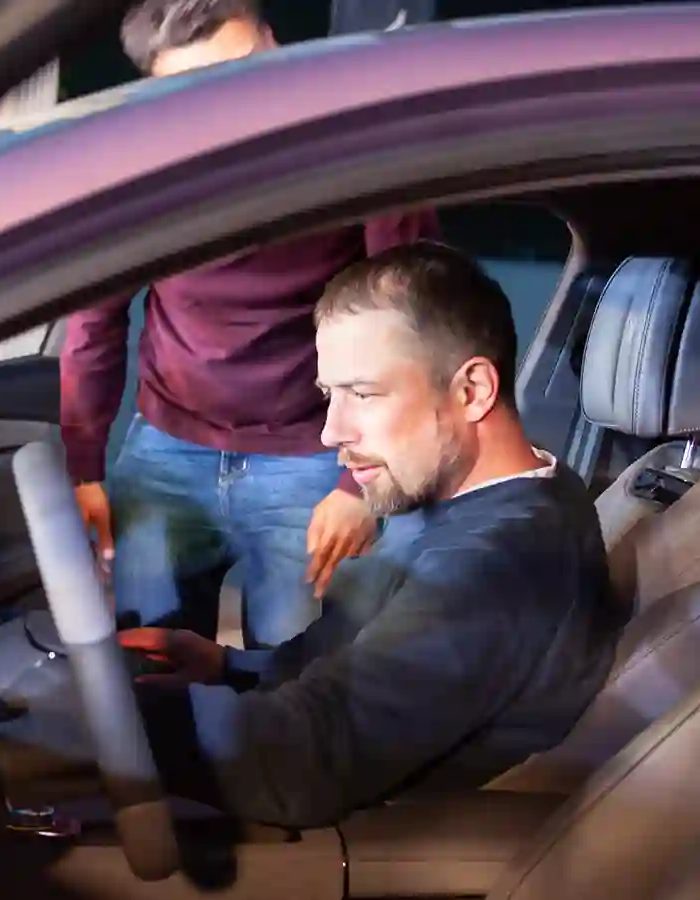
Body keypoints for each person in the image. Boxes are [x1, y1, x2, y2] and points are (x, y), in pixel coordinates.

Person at [0, 242, 626, 828]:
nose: (332, 432)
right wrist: (222, 665)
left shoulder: (498, 563)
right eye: (329, 394)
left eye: (363, 394)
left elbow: (304, 757)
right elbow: (345, 669)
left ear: (472, 390)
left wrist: (34, 694)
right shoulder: (493, 499)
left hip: (347, 844)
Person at [66, 0, 443, 648]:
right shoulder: (133, 169)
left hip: (314, 454)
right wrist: (83, 471)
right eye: (199, 85)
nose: (234, 96)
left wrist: (362, 480)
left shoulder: (356, 143)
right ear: (158, 92)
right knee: (149, 664)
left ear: (272, 40)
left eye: (246, 65)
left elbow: (411, 321)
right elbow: (92, 326)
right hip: (168, 446)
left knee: (295, 672)